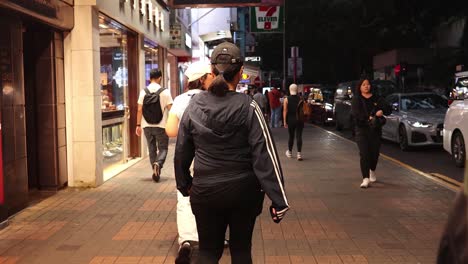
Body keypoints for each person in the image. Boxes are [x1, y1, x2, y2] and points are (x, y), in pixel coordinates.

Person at [174, 42, 289, 264]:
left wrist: (184, 183)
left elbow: (181, 151)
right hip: (243, 192)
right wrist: (279, 199)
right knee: (241, 251)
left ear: (212, 69)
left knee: (208, 252)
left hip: (205, 191)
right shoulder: (249, 106)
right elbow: (265, 155)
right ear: (240, 72)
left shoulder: (194, 106)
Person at [165, 62, 214, 264]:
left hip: (185, 154)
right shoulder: (212, 99)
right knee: (210, 195)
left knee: (184, 196)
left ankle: (186, 240)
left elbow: (170, 131)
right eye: (210, 75)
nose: (213, 77)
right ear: (203, 79)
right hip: (209, 156)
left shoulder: (179, 99)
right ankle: (210, 236)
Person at [351, 79, 391, 188]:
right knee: (364, 154)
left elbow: (389, 109)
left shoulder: (377, 98)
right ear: (359, 87)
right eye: (363, 84)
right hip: (361, 130)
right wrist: (367, 118)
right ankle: (365, 179)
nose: (366, 86)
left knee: (374, 154)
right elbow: (355, 114)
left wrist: (382, 111)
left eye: (368, 84)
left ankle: (372, 170)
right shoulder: (356, 99)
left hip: (375, 130)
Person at [136, 69, 173, 182]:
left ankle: (154, 170)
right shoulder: (165, 92)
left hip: (146, 125)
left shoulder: (143, 91)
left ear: (150, 78)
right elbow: (171, 110)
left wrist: (138, 125)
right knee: (163, 148)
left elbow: (139, 109)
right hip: (161, 125)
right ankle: (158, 163)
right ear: (160, 78)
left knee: (151, 149)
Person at [283, 84, 304, 161]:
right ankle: (299, 154)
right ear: (297, 90)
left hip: (291, 120)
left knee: (291, 136)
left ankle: (290, 152)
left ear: (289, 89)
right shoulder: (301, 98)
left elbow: (285, 111)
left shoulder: (286, 99)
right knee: (299, 136)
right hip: (300, 120)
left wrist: (284, 121)